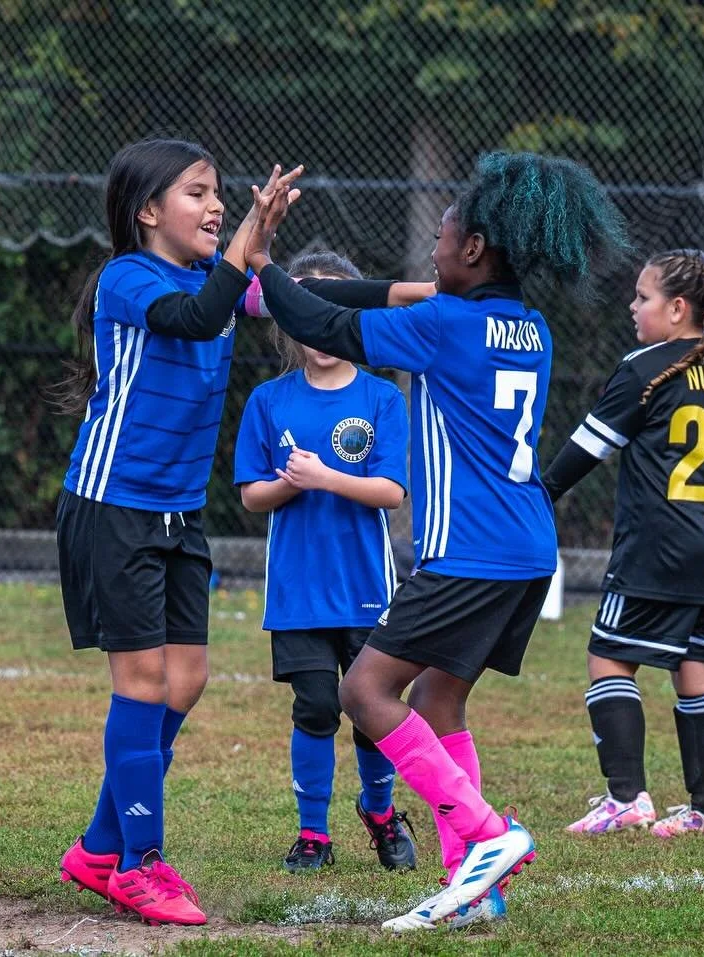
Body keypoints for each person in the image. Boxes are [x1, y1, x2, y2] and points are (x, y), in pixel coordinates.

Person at [245, 152, 629, 931]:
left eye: (444, 235)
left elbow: (328, 325)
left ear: (477, 248)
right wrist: (279, 288)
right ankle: (469, 879)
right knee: (438, 695)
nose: (432, 248)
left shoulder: (445, 324)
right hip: (526, 546)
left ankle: (487, 835)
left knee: (364, 691)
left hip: (471, 550)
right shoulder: (529, 325)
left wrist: (259, 263)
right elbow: (377, 296)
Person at [51, 140, 306, 927]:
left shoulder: (217, 278)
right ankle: (140, 860)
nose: (218, 204)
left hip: (175, 514)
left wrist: (428, 294)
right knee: (141, 683)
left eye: (221, 193)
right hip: (112, 507)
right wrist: (244, 246)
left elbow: (315, 302)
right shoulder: (129, 278)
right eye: (198, 192)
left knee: (186, 679)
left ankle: (98, 847)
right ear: (149, 211)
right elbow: (197, 321)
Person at [544, 249, 704, 841]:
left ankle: (625, 798)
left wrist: (536, 494)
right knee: (696, 669)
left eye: (643, 297)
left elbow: (589, 447)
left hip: (655, 549)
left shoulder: (645, 367)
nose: (633, 307)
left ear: (677, 307)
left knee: (608, 658)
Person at [235, 248, 417, 875]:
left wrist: (326, 476)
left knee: (372, 712)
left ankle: (382, 813)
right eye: (308, 309)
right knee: (315, 705)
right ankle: (313, 833)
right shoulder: (268, 401)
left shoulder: (382, 399)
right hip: (297, 592)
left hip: (366, 588)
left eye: (336, 308)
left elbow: (392, 492)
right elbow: (254, 497)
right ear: (288, 319)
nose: (322, 324)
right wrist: (293, 482)